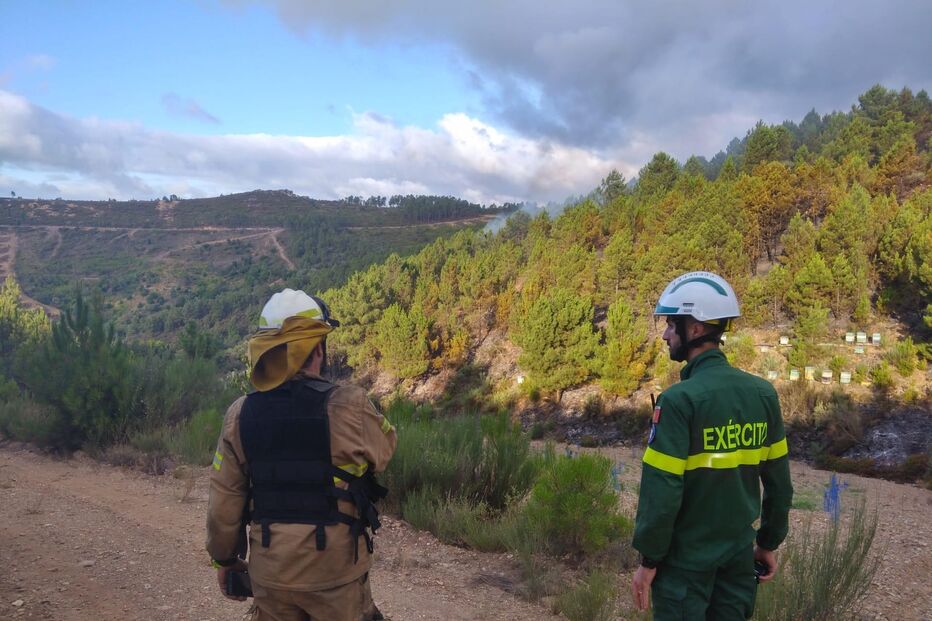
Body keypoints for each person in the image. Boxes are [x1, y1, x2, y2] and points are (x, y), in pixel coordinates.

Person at [207, 289, 397, 621]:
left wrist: (224, 561)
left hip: (271, 572)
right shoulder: (349, 404)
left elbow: (224, 501)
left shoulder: (240, 413)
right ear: (318, 349)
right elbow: (384, 451)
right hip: (335, 573)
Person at [631, 271, 793, 620]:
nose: (665, 334)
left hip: (684, 568)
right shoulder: (763, 394)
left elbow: (662, 494)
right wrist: (767, 543)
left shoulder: (678, 402)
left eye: (672, 324)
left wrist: (649, 561)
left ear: (697, 328)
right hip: (737, 562)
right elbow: (780, 485)